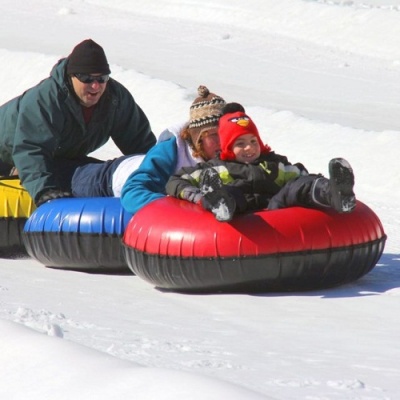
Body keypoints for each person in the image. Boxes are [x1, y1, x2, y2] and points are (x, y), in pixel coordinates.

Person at [0, 39, 156, 206]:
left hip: (58, 156)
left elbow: (140, 142)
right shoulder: (46, 100)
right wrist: (45, 191)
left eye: (102, 78)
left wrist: (161, 173)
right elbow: (31, 149)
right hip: (7, 157)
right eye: (86, 78)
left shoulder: (115, 99)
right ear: (71, 76)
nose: (95, 86)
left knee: (99, 175)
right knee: (76, 178)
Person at [165, 104, 356, 222]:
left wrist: (315, 182)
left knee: (297, 186)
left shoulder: (274, 164)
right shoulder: (216, 167)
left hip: (275, 210)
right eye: (240, 144)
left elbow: (300, 176)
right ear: (228, 148)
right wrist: (197, 197)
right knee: (231, 192)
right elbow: (175, 181)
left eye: (253, 142)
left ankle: (335, 194)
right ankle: (219, 201)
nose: (249, 148)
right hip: (240, 211)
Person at [110, 85, 225, 213]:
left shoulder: (237, 149)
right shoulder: (172, 150)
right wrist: (182, 207)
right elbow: (132, 193)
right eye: (214, 134)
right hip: (109, 179)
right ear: (198, 138)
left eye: (226, 132)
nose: (222, 141)